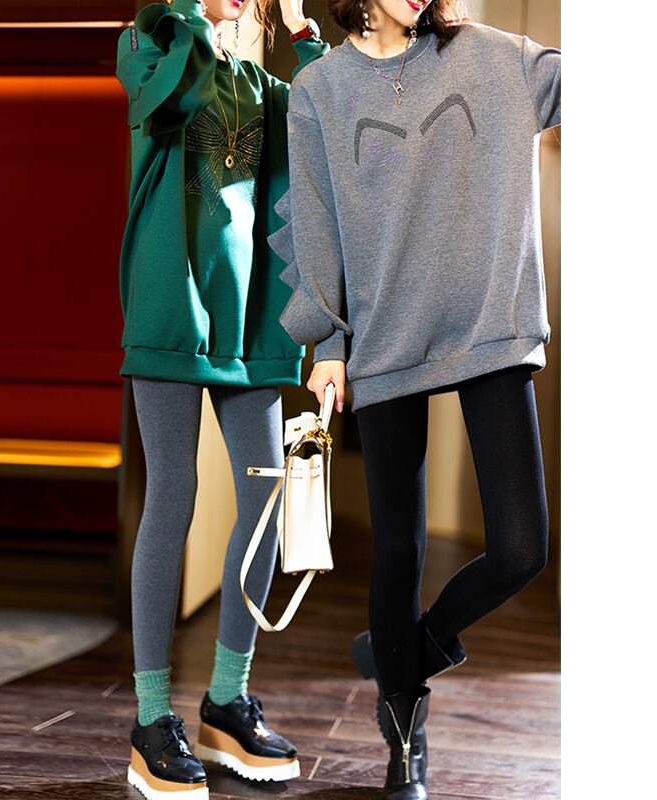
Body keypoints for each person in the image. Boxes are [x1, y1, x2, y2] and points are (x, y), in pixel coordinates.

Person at [268, 0, 560, 797]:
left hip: (492, 331)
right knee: (397, 549)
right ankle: (403, 738)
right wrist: (326, 346)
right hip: (385, 339)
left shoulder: (497, 56)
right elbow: (316, 225)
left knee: (521, 550)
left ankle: (404, 651)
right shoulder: (319, 91)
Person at [115, 1, 329, 797]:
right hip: (172, 306)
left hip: (250, 322)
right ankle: (150, 718)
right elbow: (176, 92)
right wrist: (191, 13)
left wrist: (303, 32)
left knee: (264, 501)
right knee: (174, 490)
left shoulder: (267, 89)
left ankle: (227, 702)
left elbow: (327, 126)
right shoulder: (150, 43)